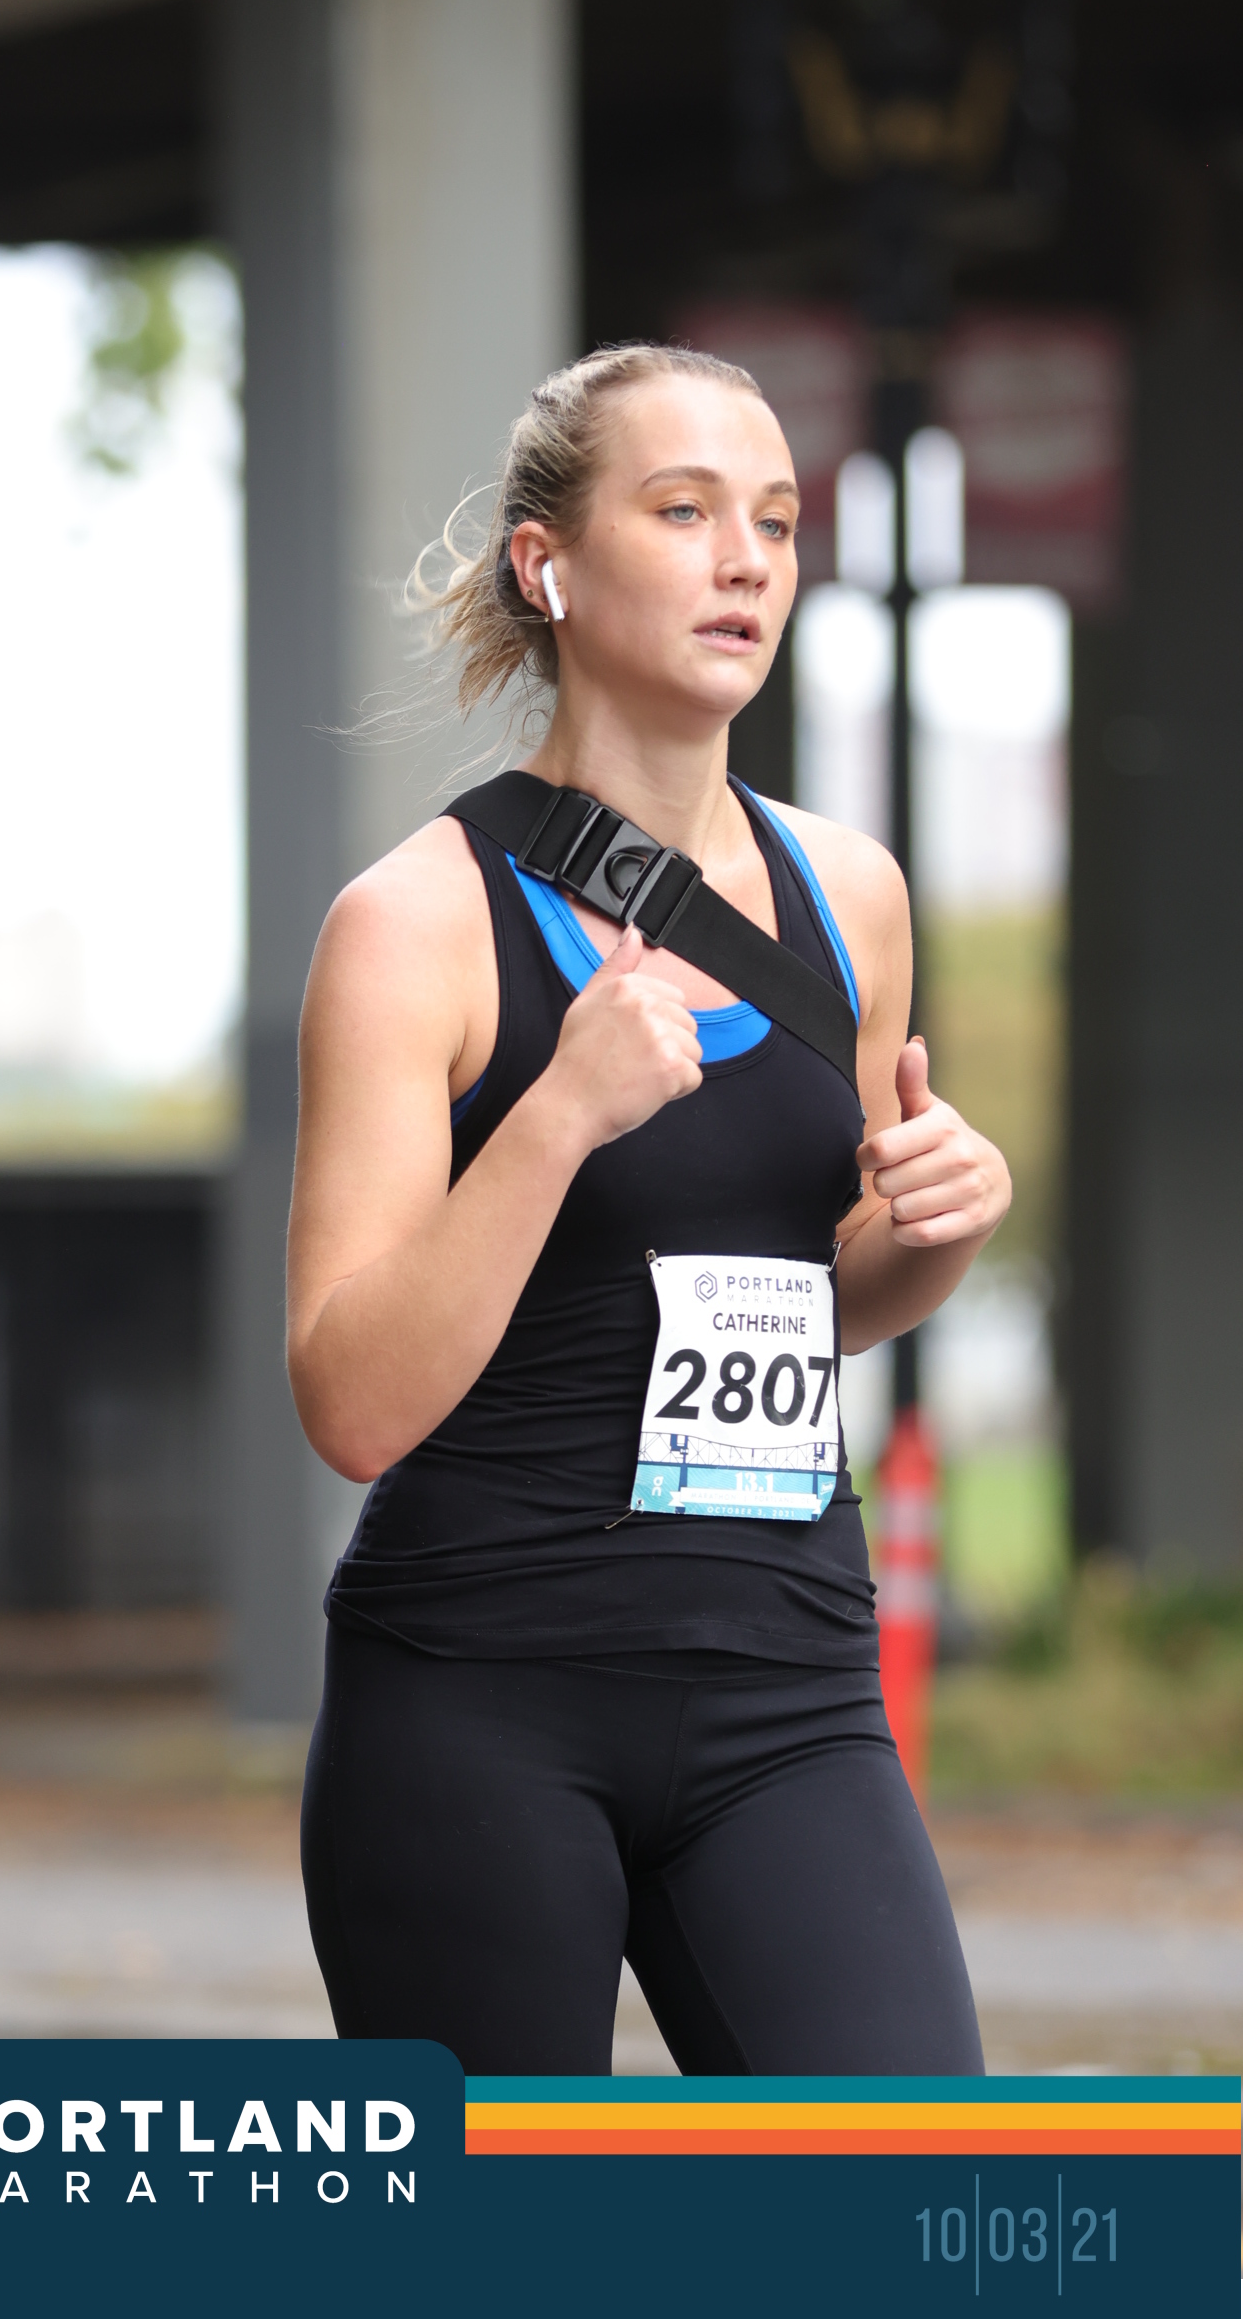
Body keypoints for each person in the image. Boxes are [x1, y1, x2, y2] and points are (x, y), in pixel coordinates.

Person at [288, 343, 1009, 2077]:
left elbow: (814, 1293)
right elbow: (352, 1404)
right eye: (683, 513)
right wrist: (560, 1115)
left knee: (906, 2192)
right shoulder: (414, 925)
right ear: (547, 564)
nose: (744, 560)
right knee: (521, 2225)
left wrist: (935, 1233)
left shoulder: (853, 894)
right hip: (480, 1697)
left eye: (774, 520)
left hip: (790, 1692)